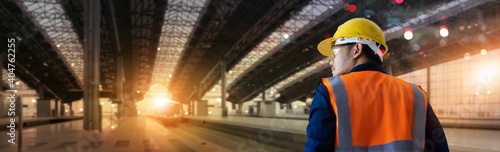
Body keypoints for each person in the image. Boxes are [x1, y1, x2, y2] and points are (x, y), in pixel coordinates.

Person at [305, 18, 449, 152]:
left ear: (357, 49)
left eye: (335, 51)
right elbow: (439, 147)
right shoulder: (416, 94)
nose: (331, 60)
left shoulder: (329, 91)